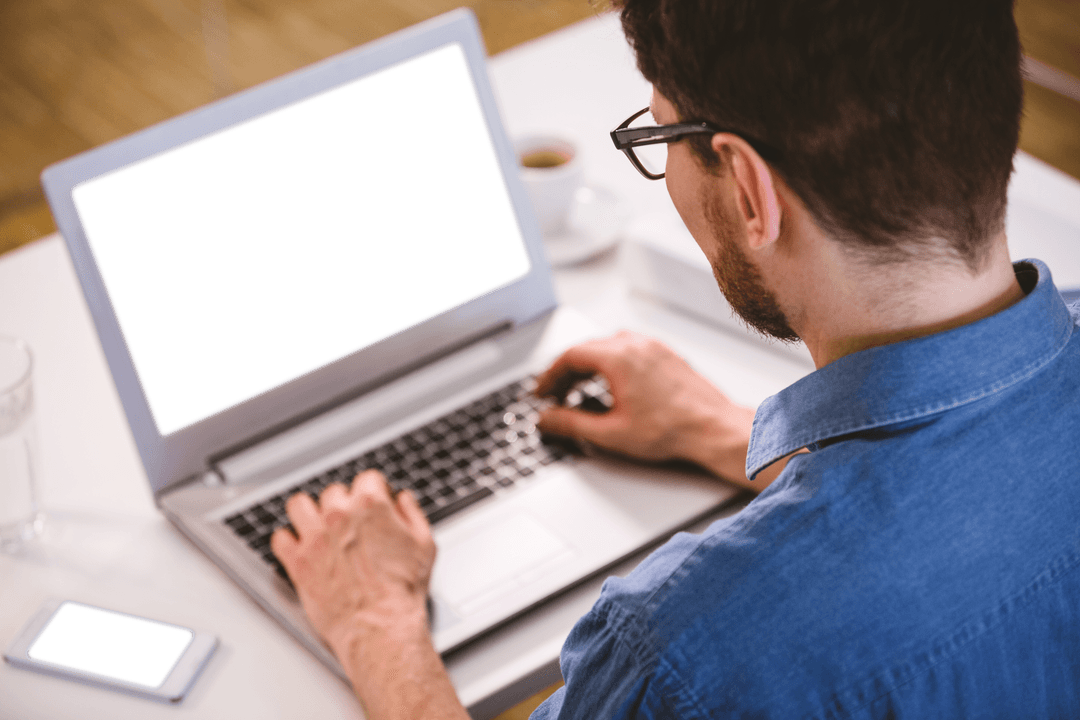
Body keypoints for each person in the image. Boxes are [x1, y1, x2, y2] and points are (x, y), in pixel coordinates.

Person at [270, 0, 1080, 716]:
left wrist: (376, 626)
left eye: (660, 136)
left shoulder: (694, 650)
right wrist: (717, 430)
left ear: (749, 189)